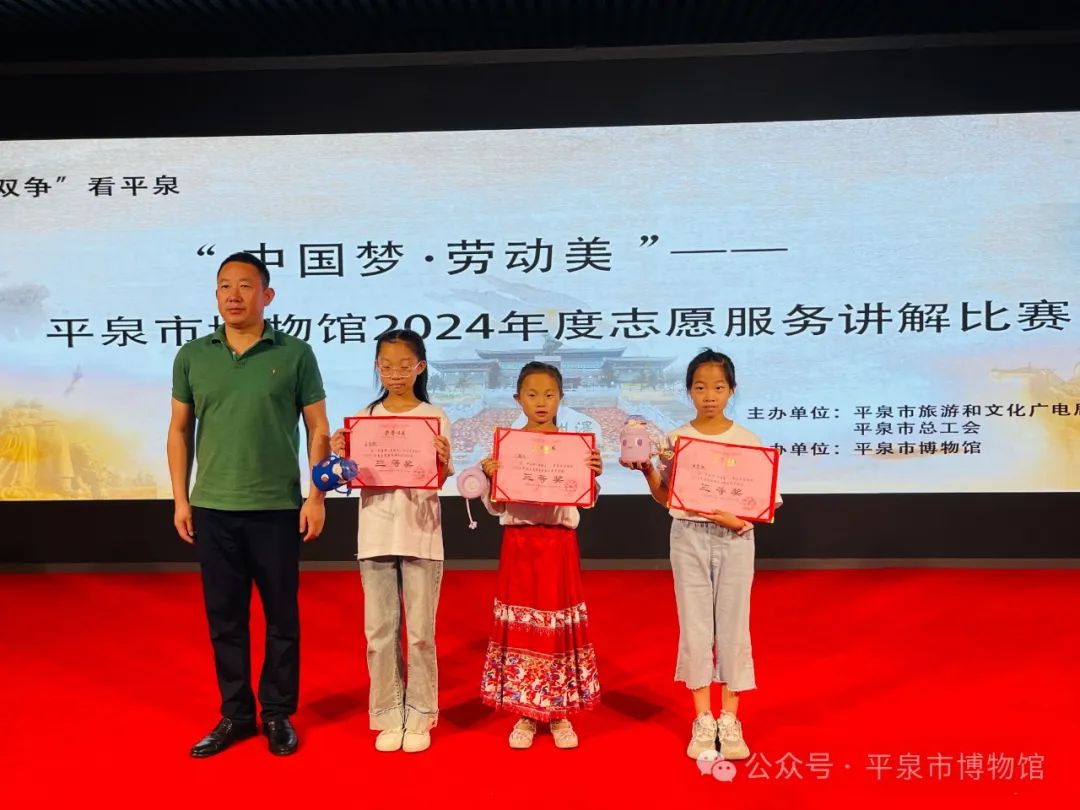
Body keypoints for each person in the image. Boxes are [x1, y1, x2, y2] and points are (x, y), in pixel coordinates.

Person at [168, 251, 329, 758]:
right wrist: (180, 498)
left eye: (245, 285)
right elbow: (179, 430)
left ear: (268, 294)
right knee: (226, 619)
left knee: (282, 617)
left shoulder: (296, 353)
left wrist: (316, 496)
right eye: (224, 286)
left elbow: (318, 429)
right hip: (213, 507)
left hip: (277, 508)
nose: (233, 295)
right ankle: (235, 715)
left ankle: (277, 712)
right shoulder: (193, 355)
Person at [623, 349, 781, 761]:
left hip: (735, 538)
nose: (709, 395)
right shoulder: (675, 441)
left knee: (733, 626)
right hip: (688, 536)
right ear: (689, 391)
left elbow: (762, 502)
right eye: (700, 387)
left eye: (718, 387)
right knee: (694, 627)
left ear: (731, 390)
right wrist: (648, 470)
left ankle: (730, 718)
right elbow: (666, 497)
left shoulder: (748, 441)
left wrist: (737, 520)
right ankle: (703, 719)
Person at [329, 329, 452, 754]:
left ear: (420, 367)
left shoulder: (434, 416)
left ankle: (420, 714)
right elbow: (347, 476)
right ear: (376, 367)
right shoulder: (363, 418)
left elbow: (441, 478)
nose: (395, 374)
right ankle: (386, 713)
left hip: (421, 534)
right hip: (376, 533)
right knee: (379, 633)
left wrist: (442, 461)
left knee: (420, 634)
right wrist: (340, 456)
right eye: (386, 366)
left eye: (404, 366)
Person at [477, 361, 603, 749]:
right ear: (518, 399)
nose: (541, 402)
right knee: (523, 627)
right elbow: (497, 506)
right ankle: (526, 713)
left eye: (549, 394)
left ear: (561, 398)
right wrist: (491, 477)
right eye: (532, 394)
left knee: (557, 628)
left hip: (558, 545)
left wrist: (591, 476)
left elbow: (586, 501)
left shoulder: (575, 446)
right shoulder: (508, 446)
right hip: (519, 544)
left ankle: (560, 712)